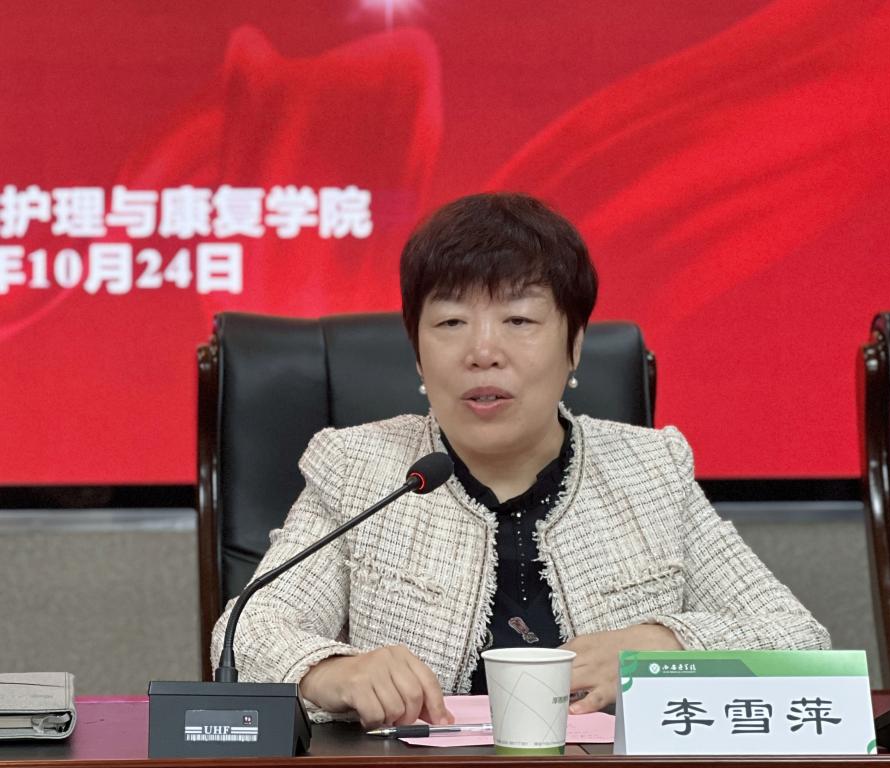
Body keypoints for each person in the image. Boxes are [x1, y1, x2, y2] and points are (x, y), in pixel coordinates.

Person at [211, 192, 830, 729]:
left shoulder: (650, 470)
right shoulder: (361, 469)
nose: (483, 351)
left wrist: (662, 649)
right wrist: (332, 671)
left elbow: (800, 644)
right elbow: (245, 636)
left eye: (519, 319)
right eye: (451, 321)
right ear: (417, 352)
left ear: (575, 344)